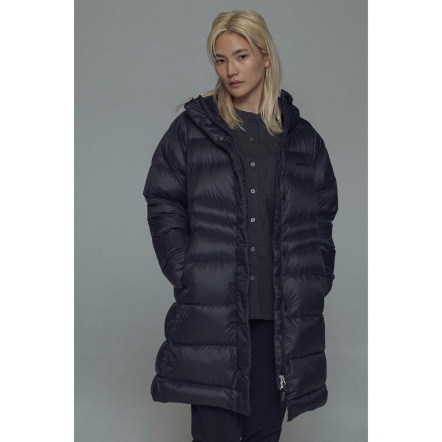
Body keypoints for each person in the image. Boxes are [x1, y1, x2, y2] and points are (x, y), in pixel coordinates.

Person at [142, 9, 338, 442]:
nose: (230, 70)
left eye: (241, 56)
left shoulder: (303, 139)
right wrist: (186, 270)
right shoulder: (192, 130)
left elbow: (322, 215)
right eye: (220, 59)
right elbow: (162, 199)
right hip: (214, 313)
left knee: (264, 434)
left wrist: (316, 278)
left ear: (266, 57)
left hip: (279, 319)